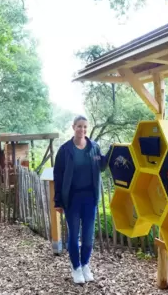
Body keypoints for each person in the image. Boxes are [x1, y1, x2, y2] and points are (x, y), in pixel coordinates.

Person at [53, 115, 111, 284]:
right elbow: (58, 175)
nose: (82, 130)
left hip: (89, 198)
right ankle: (76, 267)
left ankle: (85, 264)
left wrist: (113, 152)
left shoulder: (94, 148)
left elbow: (101, 165)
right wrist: (58, 201)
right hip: (72, 199)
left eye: (85, 127)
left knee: (88, 236)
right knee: (74, 235)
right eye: (79, 126)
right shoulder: (65, 150)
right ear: (73, 127)